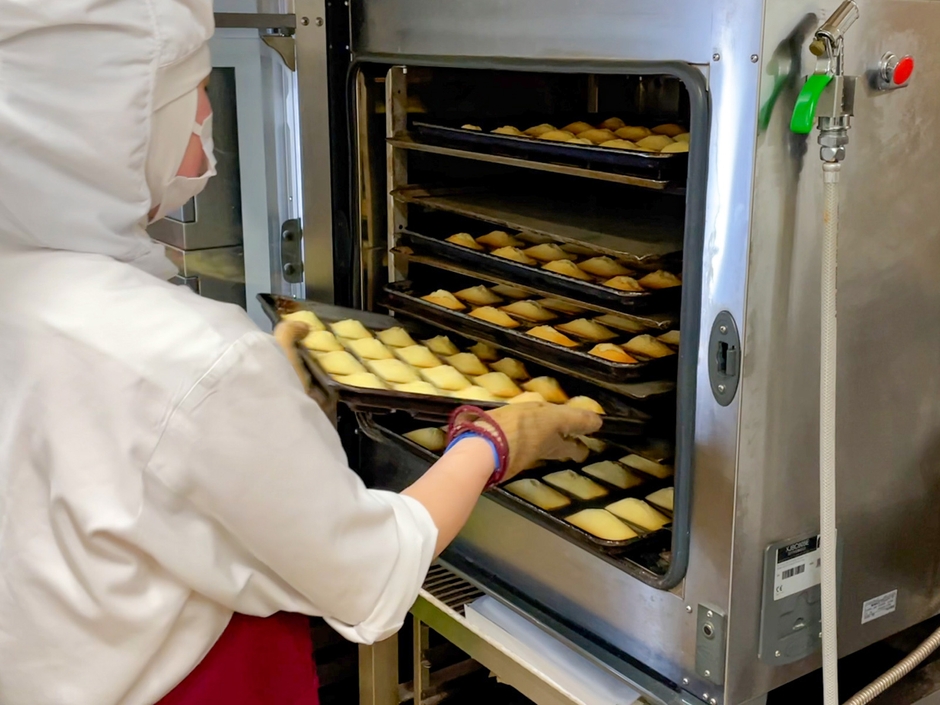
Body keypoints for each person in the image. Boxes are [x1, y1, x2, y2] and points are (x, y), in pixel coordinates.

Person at [0, 2, 602, 703]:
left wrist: (260, 409)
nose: (207, 114)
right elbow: (371, 573)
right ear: (118, 128)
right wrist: (492, 444)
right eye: (195, 92)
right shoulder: (192, 356)